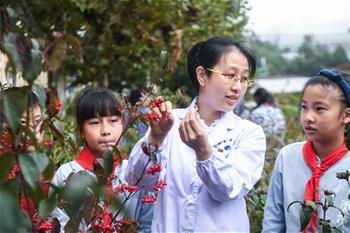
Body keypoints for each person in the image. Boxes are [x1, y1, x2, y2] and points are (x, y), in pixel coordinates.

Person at [126, 37, 266, 232]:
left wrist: (205, 153)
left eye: (244, 79)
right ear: (202, 75)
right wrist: (154, 140)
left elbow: (229, 189)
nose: (237, 87)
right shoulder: (169, 124)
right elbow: (137, 181)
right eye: (230, 75)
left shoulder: (249, 133)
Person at [50, 87, 153, 232]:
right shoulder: (66, 174)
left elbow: (147, 225)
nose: (105, 130)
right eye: (95, 123)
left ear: (123, 124)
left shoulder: (135, 171)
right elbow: (58, 224)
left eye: (113, 121)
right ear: (81, 131)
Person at [262, 69, 350, 232]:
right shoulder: (287, 157)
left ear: (346, 115)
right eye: (304, 107)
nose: (308, 117)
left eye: (319, 109)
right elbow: (273, 221)